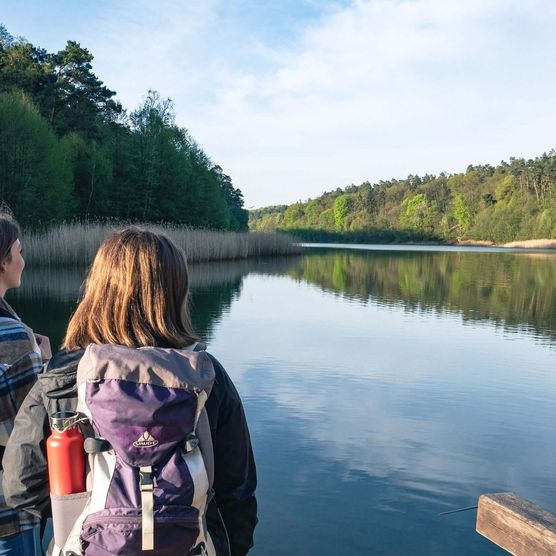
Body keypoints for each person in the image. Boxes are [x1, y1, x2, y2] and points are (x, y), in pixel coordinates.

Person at [2, 227, 257, 556]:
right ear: (177, 293)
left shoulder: (65, 377)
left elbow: (20, 486)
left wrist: (89, 511)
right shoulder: (207, 377)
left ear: (98, 289)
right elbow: (238, 496)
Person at [0, 212, 51, 555]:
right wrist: (46, 366)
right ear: (3, 261)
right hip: (7, 511)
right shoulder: (14, 336)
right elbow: (32, 431)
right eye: (18, 250)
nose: (24, 258)